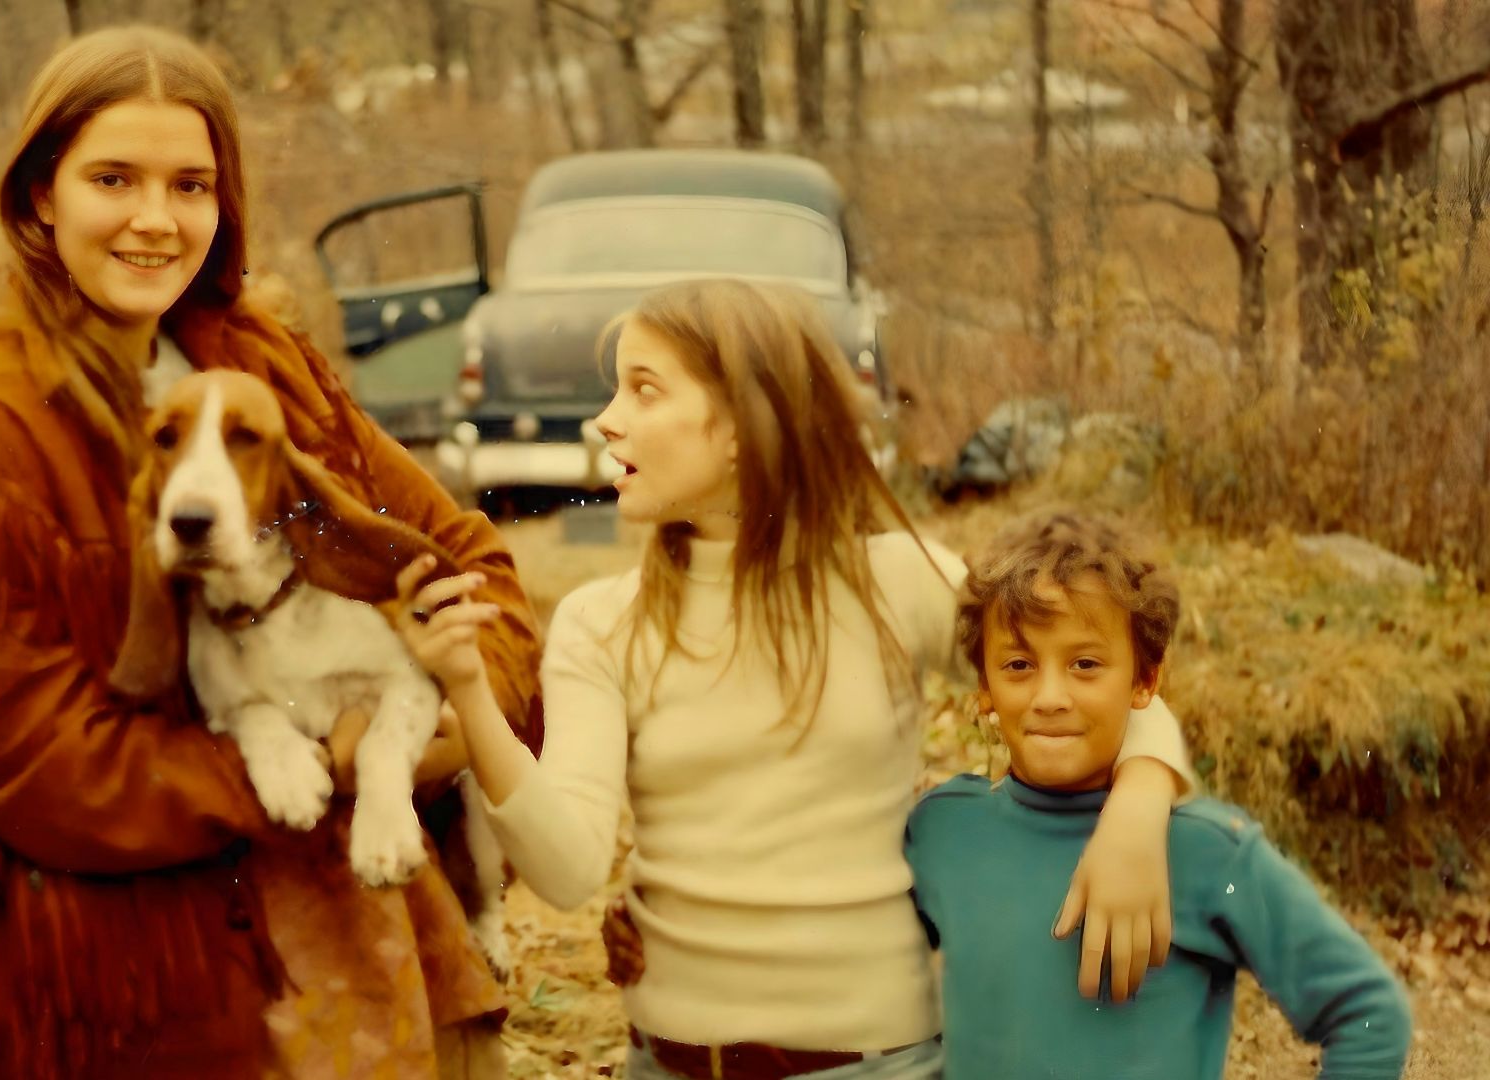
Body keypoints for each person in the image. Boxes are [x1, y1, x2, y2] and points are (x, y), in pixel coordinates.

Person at [0, 25, 540, 1079]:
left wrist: (451, 720)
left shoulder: (257, 362)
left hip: (374, 963)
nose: (154, 219)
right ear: (41, 194)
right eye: (112, 178)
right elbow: (38, 774)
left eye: (191, 185)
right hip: (146, 1004)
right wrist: (320, 757)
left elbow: (461, 561)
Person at [390, 278, 1193, 1079]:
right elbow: (565, 871)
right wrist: (467, 689)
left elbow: (1113, 690)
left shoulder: (895, 584)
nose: (607, 418)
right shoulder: (602, 624)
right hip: (671, 1063)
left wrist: (1137, 810)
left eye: (643, 388)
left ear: (740, 423)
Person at [905, 512, 1412, 1078]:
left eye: (1085, 664)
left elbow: (1370, 1015)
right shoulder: (942, 833)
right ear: (984, 690)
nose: (1050, 696)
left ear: (1145, 680)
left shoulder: (1206, 852)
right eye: (1019, 665)